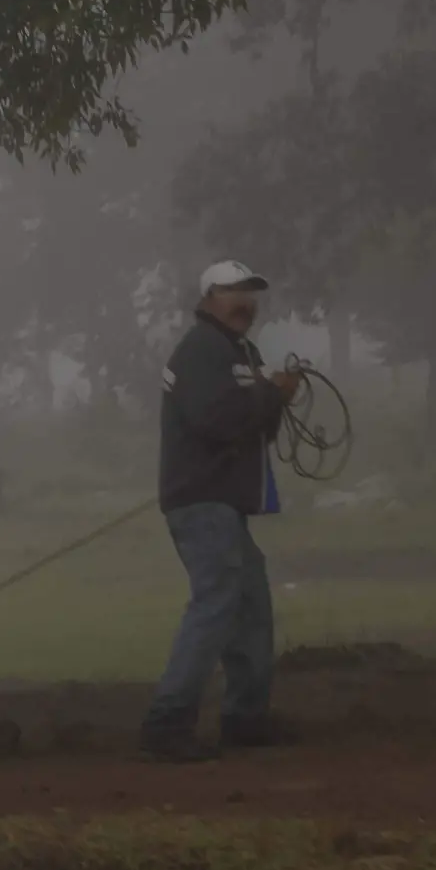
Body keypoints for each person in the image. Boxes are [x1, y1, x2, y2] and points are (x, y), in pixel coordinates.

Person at [140, 259, 303, 763]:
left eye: (251, 293)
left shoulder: (238, 352)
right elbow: (215, 419)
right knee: (216, 603)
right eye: (234, 292)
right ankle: (167, 723)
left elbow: (254, 429)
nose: (245, 302)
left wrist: (274, 399)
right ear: (209, 298)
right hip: (202, 501)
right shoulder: (201, 350)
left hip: (225, 503)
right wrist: (268, 393)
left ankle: (245, 720)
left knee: (250, 604)